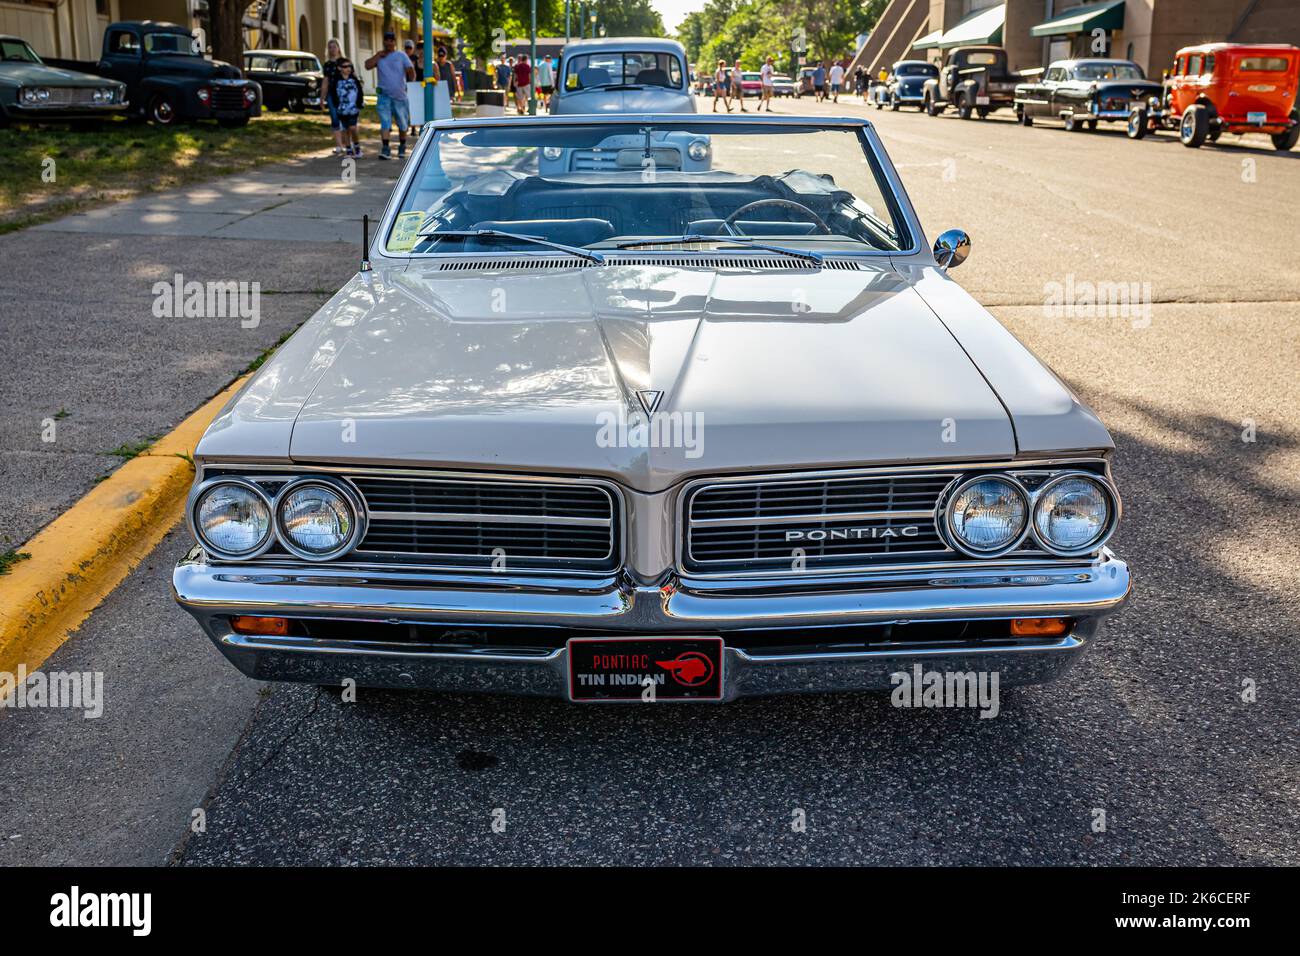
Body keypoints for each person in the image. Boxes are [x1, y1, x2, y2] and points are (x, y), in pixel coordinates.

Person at [364, 31, 415, 160]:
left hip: (400, 96)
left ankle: (402, 146)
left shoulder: (401, 55)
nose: (388, 42)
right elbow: (367, 65)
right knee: (385, 122)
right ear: (383, 41)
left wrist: (411, 82)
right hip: (384, 96)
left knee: (403, 124)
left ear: (394, 42)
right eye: (386, 39)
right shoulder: (379, 56)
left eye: (391, 40)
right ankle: (386, 148)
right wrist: (378, 55)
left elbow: (410, 71)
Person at [331, 59, 363, 157]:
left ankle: (357, 147)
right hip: (342, 109)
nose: (348, 68)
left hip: (353, 108)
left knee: (353, 128)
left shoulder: (354, 80)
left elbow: (360, 93)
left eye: (350, 66)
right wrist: (336, 105)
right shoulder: (336, 81)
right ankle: (348, 149)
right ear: (339, 68)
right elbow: (333, 94)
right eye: (345, 67)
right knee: (345, 130)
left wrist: (359, 103)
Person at [320, 38, 345, 156]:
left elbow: (352, 78)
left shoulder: (345, 63)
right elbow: (325, 81)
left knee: (345, 119)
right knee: (335, 118)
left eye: (334, 47)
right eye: (330, 47)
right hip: (331, 95)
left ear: (339, 48)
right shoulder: (327, 65)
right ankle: (339, 145)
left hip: (344, 95)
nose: (332, 49)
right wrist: (322, 97)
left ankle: (348, 144)